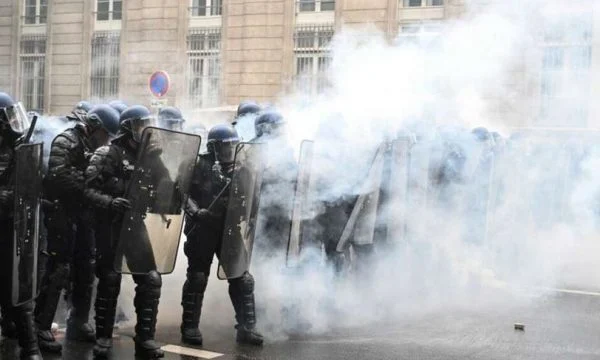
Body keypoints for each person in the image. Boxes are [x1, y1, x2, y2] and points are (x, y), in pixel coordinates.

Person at [34, 105, 120, 353]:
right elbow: (60, 175)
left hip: (84, 215)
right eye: (105, 133)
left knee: (86, 268)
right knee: (59, 269)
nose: (107, 139)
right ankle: (41, 326)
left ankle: (79, 321)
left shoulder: (97, 148)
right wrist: (90, 185)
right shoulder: (67, 140)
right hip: (62, 213)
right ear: (93, 126)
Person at [85, 105, 165, 359]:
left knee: (151, 279)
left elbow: (168, 187)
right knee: (109, 280)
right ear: (129, 128)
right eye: (142, 124)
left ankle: (145, 337)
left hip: (135, 225)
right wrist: (110, 202)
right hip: (111, 225)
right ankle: (103, 338)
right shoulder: (109, 153)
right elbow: (86, 191)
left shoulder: (150, 156)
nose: (147, 129)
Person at [181, 124, 263, 347]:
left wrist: (249, 215)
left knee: (242, 278)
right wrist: (196, 211)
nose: (229, 152)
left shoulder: (242, 168)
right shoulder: (199, 165)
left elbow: (252, 195)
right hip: (203, 229)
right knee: (197, 277)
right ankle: (189, 325)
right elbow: (182, 192)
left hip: (230, 229)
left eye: (232, 146)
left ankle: (246, 327)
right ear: (213, 147)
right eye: (224, 147)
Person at [0, 92, 42, 359]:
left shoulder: (19, 147)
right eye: (8, 118)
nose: (13, 123)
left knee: (17, 284)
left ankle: (30, 347)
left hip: (9, 227)